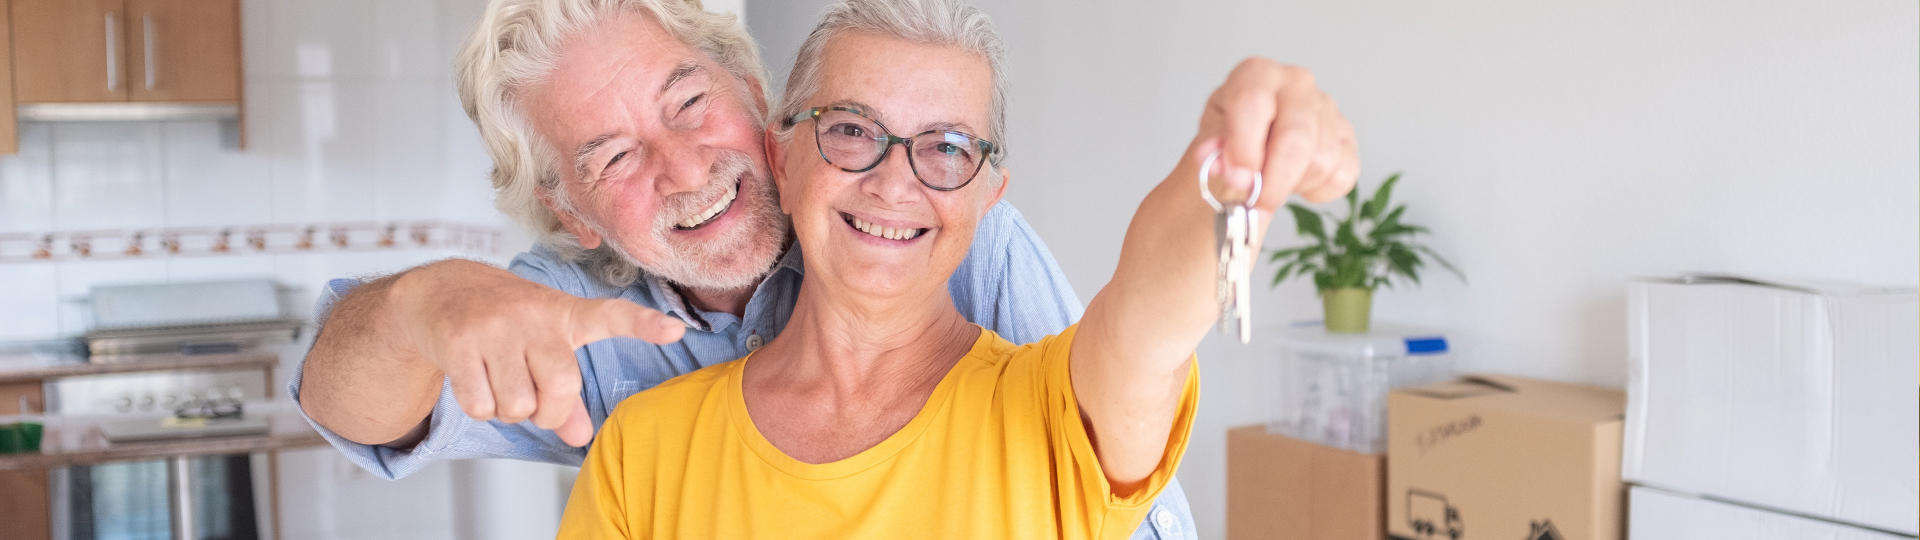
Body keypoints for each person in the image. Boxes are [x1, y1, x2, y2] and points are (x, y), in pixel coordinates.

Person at [289, 0, 1209, 537]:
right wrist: (421, 303)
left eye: (689, 102)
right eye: (613, 159)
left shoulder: (938, 226)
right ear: (573, 216)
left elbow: (1116, 476)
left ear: (760, 101)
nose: (685, 170)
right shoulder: (578, 332)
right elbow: (348, 403)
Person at [553, 0, 1357, 537]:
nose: (895, 182)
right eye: (851, 129)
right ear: (782, 157)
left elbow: (1150, 314)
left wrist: (1224, 168)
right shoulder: (643, 451)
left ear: (987, 195)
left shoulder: (1056, 415)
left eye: (946, 148)